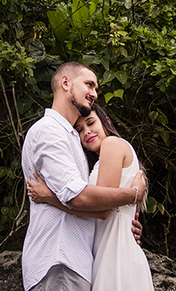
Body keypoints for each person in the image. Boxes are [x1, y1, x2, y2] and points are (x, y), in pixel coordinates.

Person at [20, 62, 146, 291]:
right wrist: (133, 194)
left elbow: (103, 207)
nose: (94, 94)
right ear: (65, 82)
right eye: (89, 84)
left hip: (79, 262)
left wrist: (127, 221)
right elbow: (80, 198)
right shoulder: (50, 131)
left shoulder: (72, 139)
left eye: (96, 88)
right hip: (59, 260)